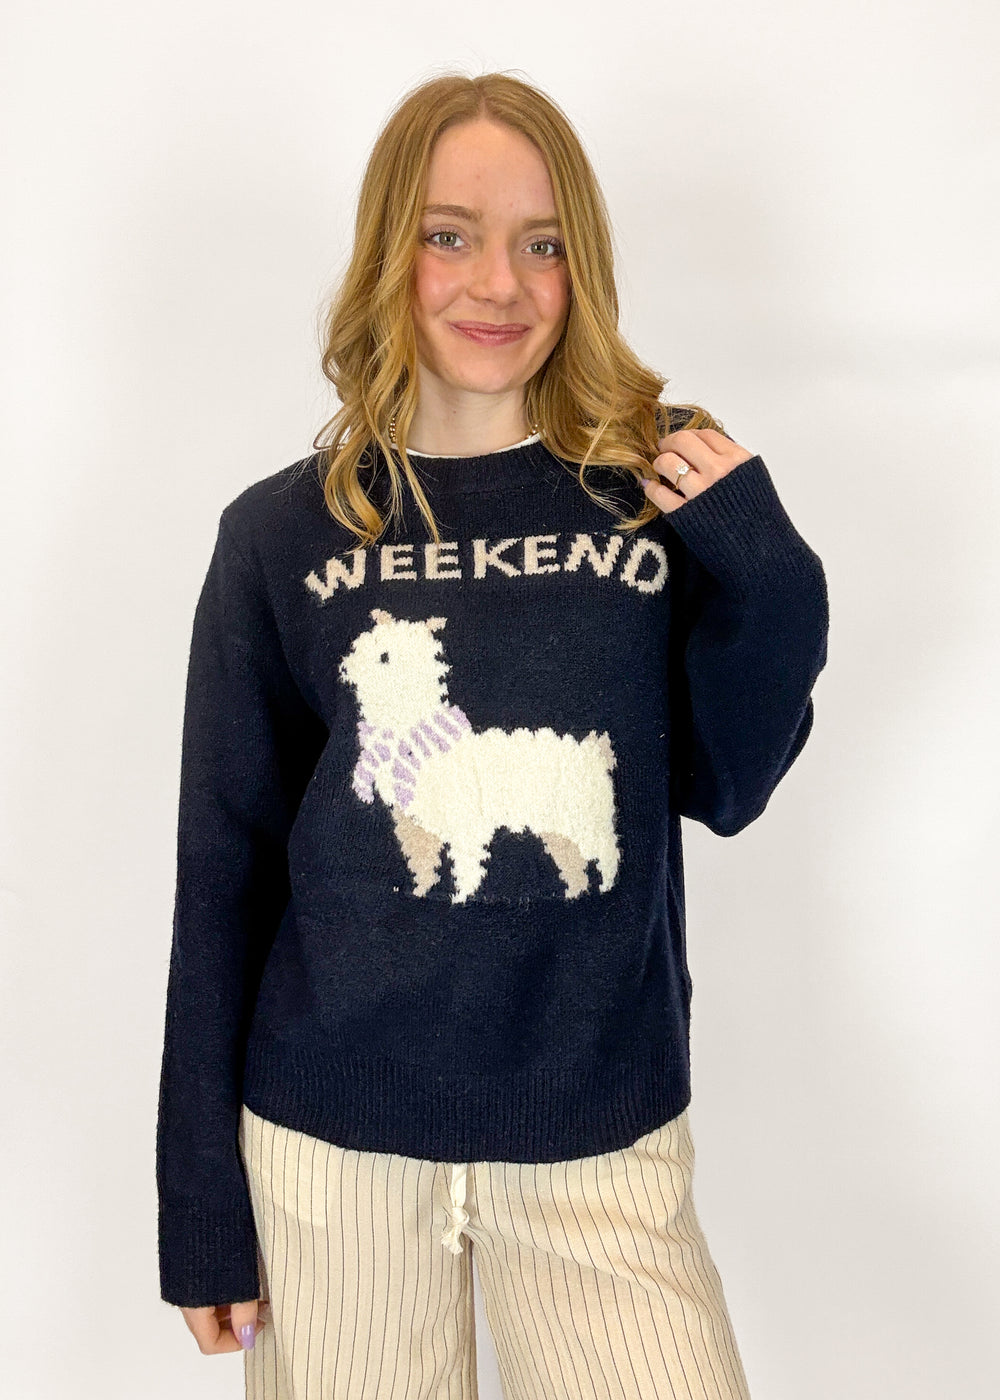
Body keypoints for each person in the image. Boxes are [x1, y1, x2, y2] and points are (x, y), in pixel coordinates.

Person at [156, 69, 829, 1400]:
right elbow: (222, 869)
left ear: (585, 266)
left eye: (543, 244)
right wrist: (201, 1203)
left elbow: (726, 783)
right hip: (330, 1146)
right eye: (449, 236)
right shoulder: (281, 533)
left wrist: (767, 569)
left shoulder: (649, 497)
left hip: (599, 1135)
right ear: (388, 252)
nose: (497, 285)